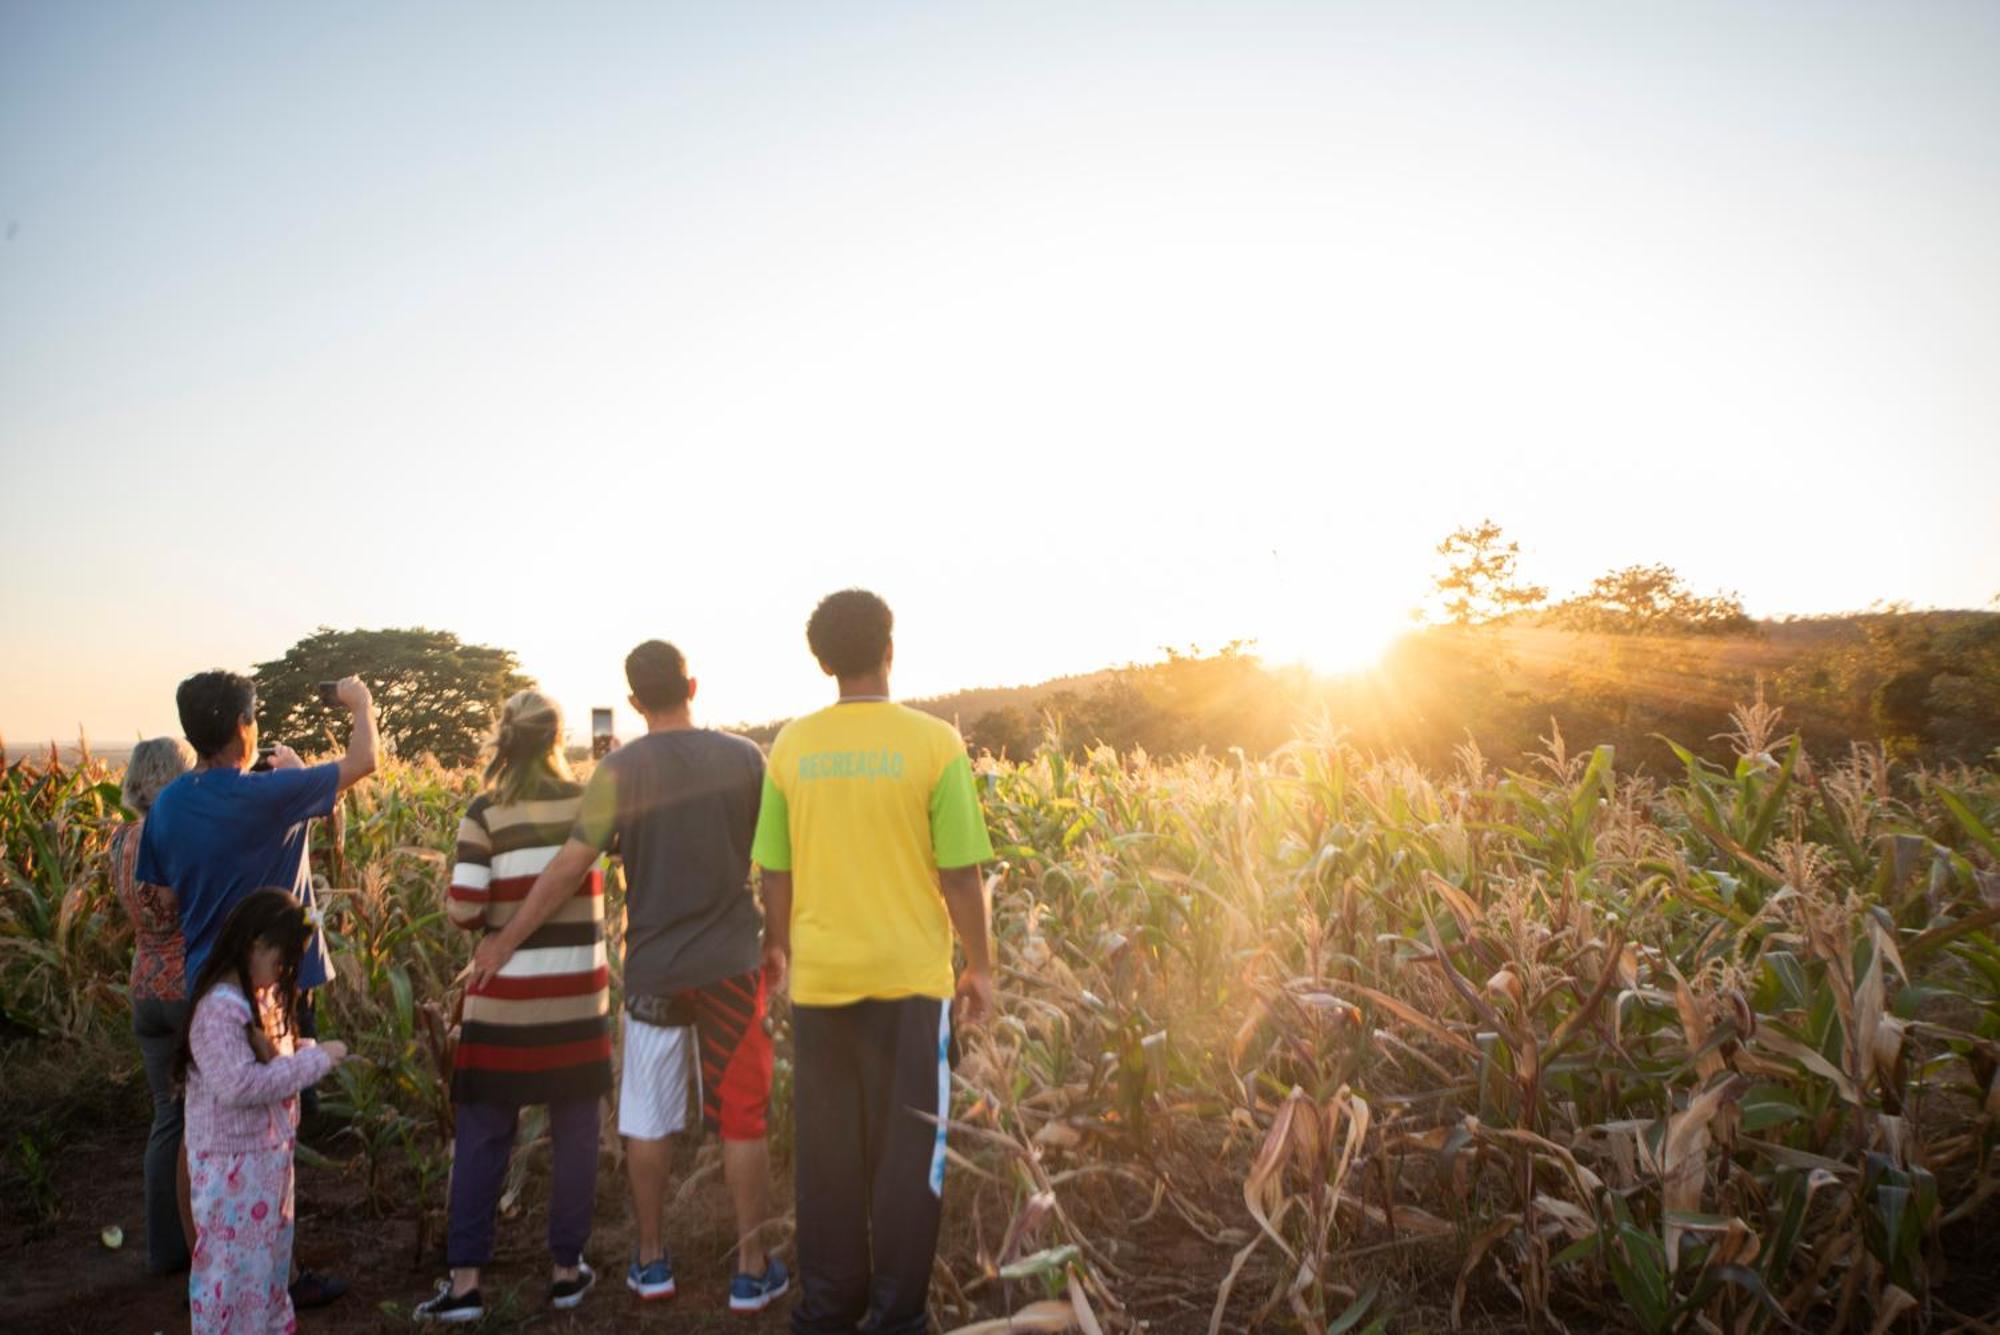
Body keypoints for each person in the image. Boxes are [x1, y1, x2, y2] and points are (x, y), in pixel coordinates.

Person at [468, 641, 788, 1313]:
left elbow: (569, 865)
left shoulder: (618, 769)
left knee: (646, 1116)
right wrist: (778, 941)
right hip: (734, 963)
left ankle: (649, 1259)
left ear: (636, 702)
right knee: (742, 1114)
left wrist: (503, 942)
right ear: (692, 684)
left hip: (654, 970)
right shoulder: (743, 758)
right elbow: (776, 862)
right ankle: (753, 1268)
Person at [748, 589, 996, 1335]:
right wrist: (981, 966)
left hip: (822, 986)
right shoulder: (933, 744)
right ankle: (896, 1317)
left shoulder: (792, 745)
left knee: (826, 1158)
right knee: (908, 1156)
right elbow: (959, 874)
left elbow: (775, 872)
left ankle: (827, 1311)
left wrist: (779, 945)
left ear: (823, 662)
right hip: (910, 987)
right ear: (890, 649)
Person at [138, 667, 377, 1309]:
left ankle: (208, 1260)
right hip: (264, 987)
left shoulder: (168, 805)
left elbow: (159, 892)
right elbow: (365, 760)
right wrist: (357, 700)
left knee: (199, 1132)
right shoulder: (270, 795)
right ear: (245, 729)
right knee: (271, 1128)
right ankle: (276, 1273)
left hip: (200, 991)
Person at [414, 690, 610, 1322]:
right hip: (578, 1002)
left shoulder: (484, 813)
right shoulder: (588, 806)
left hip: (501, 1009)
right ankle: (565, 1272)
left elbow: (466, 909)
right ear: (557, 738)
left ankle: (466, 1283)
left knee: (481, 1138)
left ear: (504, 739)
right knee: (578, 1133)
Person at [176, 889, 349, 1335]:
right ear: (254, 945)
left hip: (265, 1163)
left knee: (267, 1272)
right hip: (233, 1173)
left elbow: (276, 1060)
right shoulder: (218, 1011)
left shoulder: (257, 1000)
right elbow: (240, 1084)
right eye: (281, 962)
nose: (281, 976)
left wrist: (306, 1051)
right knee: (233, 1279)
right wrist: (316, 1061)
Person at [112, 735, 199, 1275]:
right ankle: (202, 1243)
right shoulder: (179, 836)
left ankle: (163, 1250)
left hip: (144, 985)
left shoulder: (120, 839)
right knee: (203, 1120)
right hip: (188, 988)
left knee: (167, 1117)